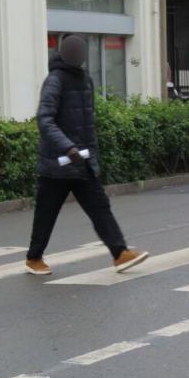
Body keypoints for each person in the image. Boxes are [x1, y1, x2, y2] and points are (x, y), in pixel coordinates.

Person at [25, 34, 148, 275]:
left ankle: (120, 254)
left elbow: (87, 124)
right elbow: (45, 119)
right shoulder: (55, 80)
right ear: (63, 52)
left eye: (81, 50)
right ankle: (33, 258)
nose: (78, 54)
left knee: (100, 208)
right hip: (57, 165)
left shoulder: (85, 80)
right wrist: (67, 147)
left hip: (82, 163)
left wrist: (90, 157)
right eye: (73, 50)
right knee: (46, 215)